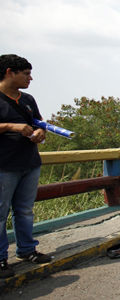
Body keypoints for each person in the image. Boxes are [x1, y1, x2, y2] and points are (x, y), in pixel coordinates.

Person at [0, 54, 52, 278]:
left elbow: (39, 123)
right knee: (1, 214)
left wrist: (41, 132)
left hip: (29, 162)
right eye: (26, 74)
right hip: (4, 165)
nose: (30, 78)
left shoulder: (28, 100)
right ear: (10, 72)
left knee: (24, 211)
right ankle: (2, 258)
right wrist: (11, 126)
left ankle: (27, 250)